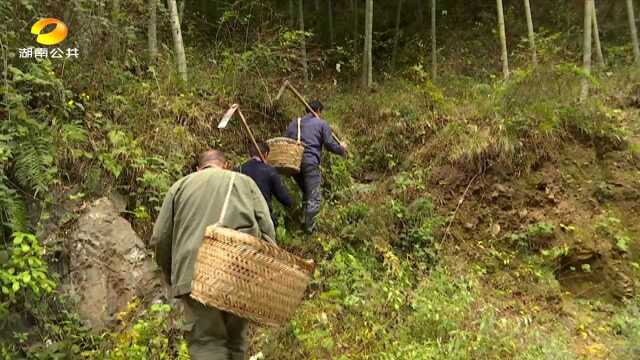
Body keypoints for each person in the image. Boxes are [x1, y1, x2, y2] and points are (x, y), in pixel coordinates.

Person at [151, 149, 275, 360]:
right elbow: (267, 230)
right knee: (237, 342)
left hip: (194, 274)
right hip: (240, 273)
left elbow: (160, 239)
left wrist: (174, 274)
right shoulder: (244, 182)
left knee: (206, 343)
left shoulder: (179, 187)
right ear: (226, 165)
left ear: (198, 169)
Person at [285, 100, 347, 233]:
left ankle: (302, 222)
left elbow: (286, 141)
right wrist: (341, 148)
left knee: (307, 192)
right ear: (318, 111)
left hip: (294, 165)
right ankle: (309, 229)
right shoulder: (321, 123)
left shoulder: (294, 123)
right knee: (314, 195)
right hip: (310, 162)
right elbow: (329, 144)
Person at [238, 141, 293, 227]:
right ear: (266, 154)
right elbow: (283, 197)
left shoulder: (239, 169)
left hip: (242, 215)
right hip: (262, 217)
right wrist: (290, 202)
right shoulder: (270, 171)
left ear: (250, 154)